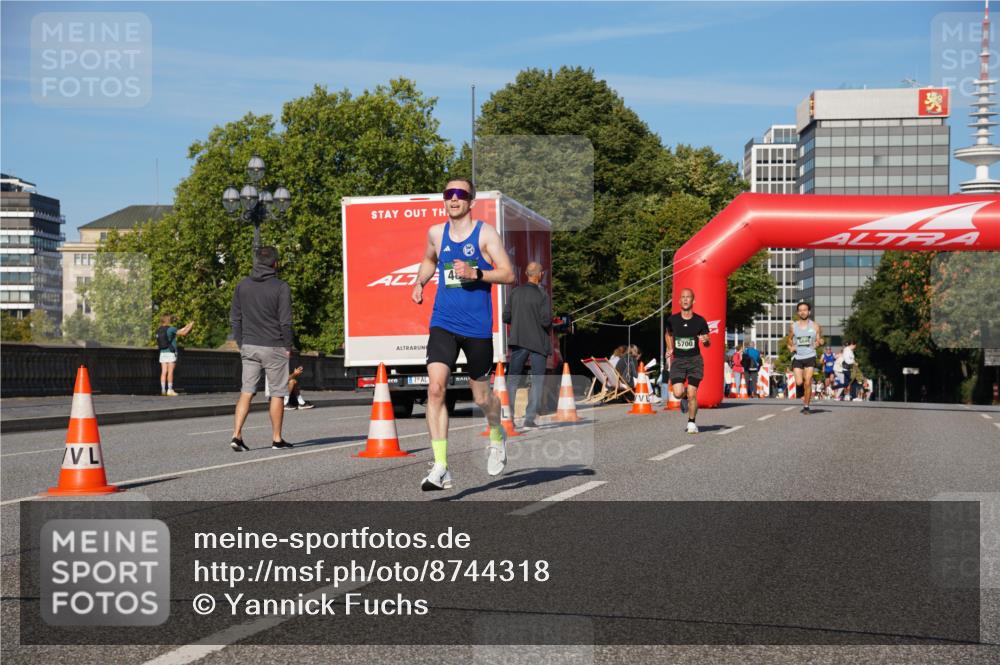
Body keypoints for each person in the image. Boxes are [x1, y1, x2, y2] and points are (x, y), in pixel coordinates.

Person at [411, 178, 515, 490]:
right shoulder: (436, 233)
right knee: (435, 389)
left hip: (477, 328)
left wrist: (477, 273)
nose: (454, 199)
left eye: (461, 194)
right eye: (448, 194)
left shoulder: (484, 233)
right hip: (443, 322)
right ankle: (441, 465)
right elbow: (429, 260)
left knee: (481, 396)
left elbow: (509, 273)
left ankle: (497, 434)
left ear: (471, 201)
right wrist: (420, 282)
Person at [229, 245, 294, 452]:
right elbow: (285, 322)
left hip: (249, 345)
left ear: (256, 262)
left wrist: (241, 342)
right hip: (274, 345)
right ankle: (276, 439)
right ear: (275, 263)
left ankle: (236, 435)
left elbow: (235, 318)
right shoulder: (281, 287)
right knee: (277, 393)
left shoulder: (242, 285)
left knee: (246, 391)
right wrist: (288, 345)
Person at [503, 262, 552, 430]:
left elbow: (505, 316)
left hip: (519, 341)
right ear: (540, 274)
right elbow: (546, 320)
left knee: (513, 379)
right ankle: (529, 419)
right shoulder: (542, 294)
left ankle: (507, 416)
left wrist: (519, 320)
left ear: (526, 273)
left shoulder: (515, 292)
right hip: (538, 343)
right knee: (537, 381)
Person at [665, 288, 711, 434]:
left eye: (688, 297)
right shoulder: (672, 320)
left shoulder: (700, 321)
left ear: (693, 300)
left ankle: (691, 422)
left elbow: (707, 341)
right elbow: (668, 334)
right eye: (683, 297)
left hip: (694, 361)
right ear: (679, 301)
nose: (685, 299)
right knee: (678, 393)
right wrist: (670, 348)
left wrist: (705, 340)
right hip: (678, 361)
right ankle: (683, 397)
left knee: (692, 393)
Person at [787, 301, 823, 414]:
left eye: (805, 310)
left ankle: (806, 406)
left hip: (810, 356)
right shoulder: (793, 326)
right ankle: (804, 394)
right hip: (798, 357)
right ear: (798, 312)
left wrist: (819, 342)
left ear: (809, 312)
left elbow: (819, 339)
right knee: (799, 382)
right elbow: (789, 340)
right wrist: (791, 347)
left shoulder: (815, 326)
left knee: (807, 382)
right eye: (800, 310)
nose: (803, 312)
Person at [156, 315, 193, 396]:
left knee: (163, 371)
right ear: (168, 321)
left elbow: (179, 330)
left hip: (162, 352)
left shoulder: (159, 329)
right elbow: (183, 333)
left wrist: (187, 326)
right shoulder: (171, 328)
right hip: (170, 352)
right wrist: (191, 326)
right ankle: (170, 389)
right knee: (170, 371)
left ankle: (163, 390)